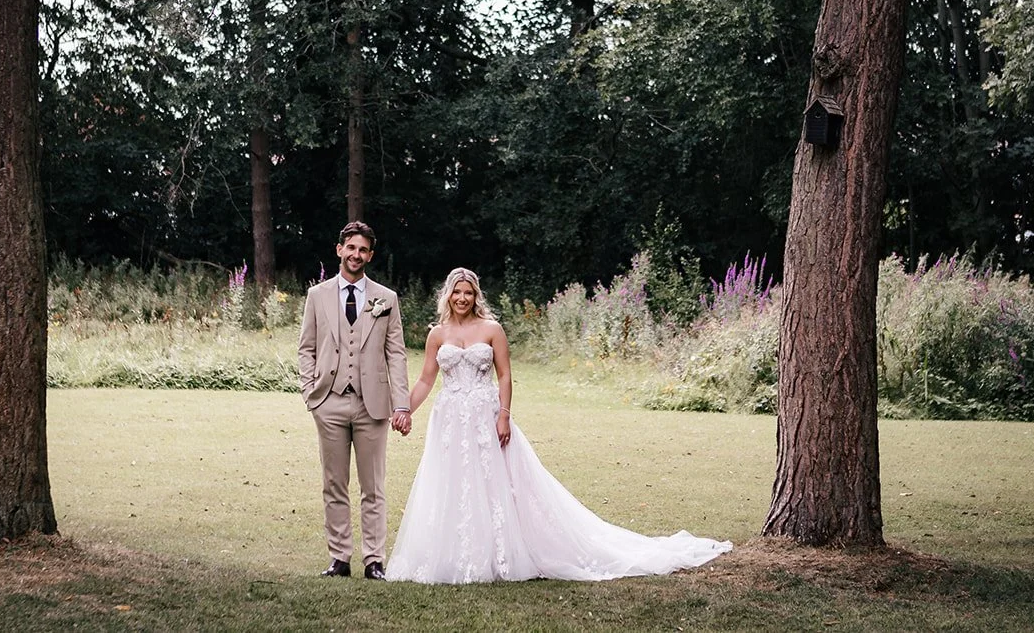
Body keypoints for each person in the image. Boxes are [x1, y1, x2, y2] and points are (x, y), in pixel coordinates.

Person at [385, 267, 732, 584]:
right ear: (447, 295)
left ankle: (504, 554)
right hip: (450, 422)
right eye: (457, 292)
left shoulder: (491, 329)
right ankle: (457, 556)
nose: (463, 298)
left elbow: (505, 375)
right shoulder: (436, 334)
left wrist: (503, 414)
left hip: (485, 416)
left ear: (477, 296)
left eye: (469, 292)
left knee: (497, 486)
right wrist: (405, 409)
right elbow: (426, 380)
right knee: (454, 487)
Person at [298, 220, 412, 580]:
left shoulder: (386, 298)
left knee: (373, 486)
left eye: (363, 250)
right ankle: (339, 558)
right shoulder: (317, 296)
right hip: (328, 402)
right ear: (339, 250)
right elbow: (306, 348)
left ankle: (374, 560)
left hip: (373, 405)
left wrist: (401, 403)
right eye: (351, 248)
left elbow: (397, 354)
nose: (356, 255)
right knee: (334, 484)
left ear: (370, 255)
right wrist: (310, 394)